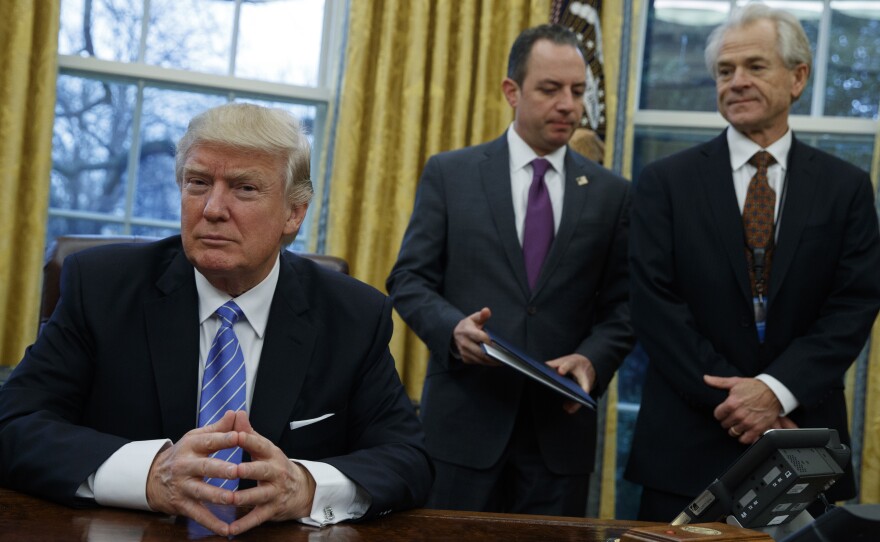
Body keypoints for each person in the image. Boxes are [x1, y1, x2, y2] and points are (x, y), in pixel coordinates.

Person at [0, 103, 432, 536]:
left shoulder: (353, 316)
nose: (212, 208)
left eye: (245, 188)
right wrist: (147, 474)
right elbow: (13, 424)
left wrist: (306, 486)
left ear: (294, 213)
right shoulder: (101, 287)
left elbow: (408, 459)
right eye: (198, 183)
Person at [625, 3, 880, 522]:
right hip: (686, 447)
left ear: (798, 77)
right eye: (725, 71)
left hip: (800, 443)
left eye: (755, 66)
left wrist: (776, 392)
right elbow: (654, 305)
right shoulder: (664, 182)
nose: (736, 81)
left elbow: (853, 305)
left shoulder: (846, 188)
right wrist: (743, 403)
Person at [387, 24, 633, 516]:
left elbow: (625, 307)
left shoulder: (612, 194)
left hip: (559, 437)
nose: (568, 105)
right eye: (550, 89)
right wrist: (451, 329)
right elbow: (409, 279)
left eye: (577, 91)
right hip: (463, 428)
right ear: (511, 91)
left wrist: (592, 360)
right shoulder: (451, 174)